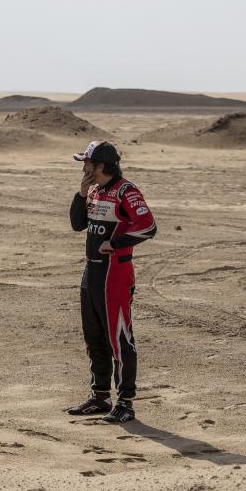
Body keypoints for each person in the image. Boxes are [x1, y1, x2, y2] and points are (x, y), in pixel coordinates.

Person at [67, 141, 157, 423]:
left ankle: (126, 403)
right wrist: (81, 195)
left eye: (87, 163)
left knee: (119, 338)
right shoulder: (93, 190)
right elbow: (77, 224)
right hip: (91, 273)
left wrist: (114, 242)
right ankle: (100, 397)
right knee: (94, 337)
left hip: (114, 274)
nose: (84, 167)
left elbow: (148, 226)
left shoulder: (126, 191)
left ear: (101, 166)